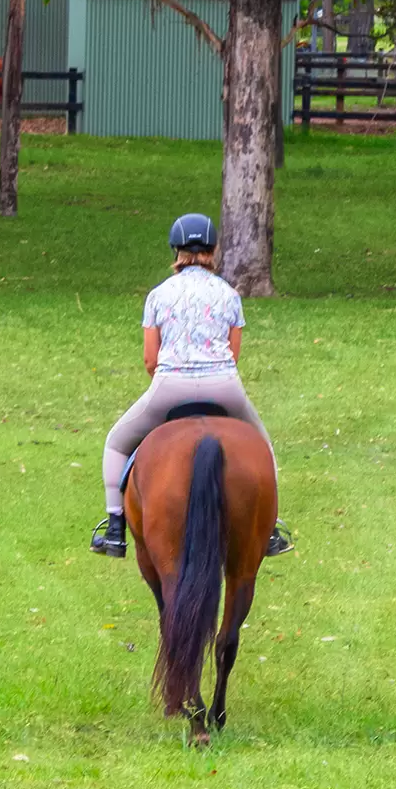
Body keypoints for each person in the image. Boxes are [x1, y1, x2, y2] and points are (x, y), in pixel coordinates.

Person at [91, 213, 292, 559]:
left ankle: (113, 529)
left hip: (170, 386)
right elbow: (234, 352)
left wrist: (173, 382)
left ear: (176, 249)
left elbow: (150, 360)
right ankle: (271, 529)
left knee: (116, 442)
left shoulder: (158, 295)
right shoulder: (229, 294)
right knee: (262, 443)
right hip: (223, 385)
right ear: (214, 249)